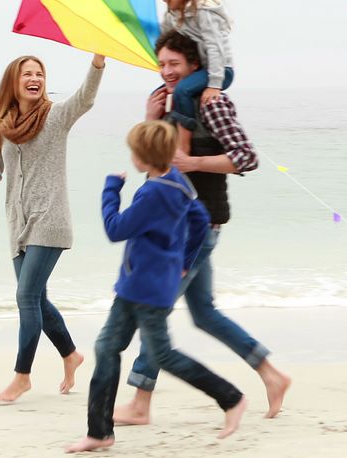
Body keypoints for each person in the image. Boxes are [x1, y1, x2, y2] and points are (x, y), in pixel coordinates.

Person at [113, 32, 291, 427]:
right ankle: (272, 375)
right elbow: (155, 162)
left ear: (195, 66)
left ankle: (140, 402)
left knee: (152, 310)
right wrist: (151, 118)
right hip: (174, 226)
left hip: (198, 225)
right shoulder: (171, 102)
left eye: (174, 64)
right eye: (161, 64)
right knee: (204, 313)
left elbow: (246, 157)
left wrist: (194, 163)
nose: (167, 71)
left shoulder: (214, 102)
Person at [66, 121, 247, 453]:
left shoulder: (153, 192)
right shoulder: (179, 184)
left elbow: (115, 228)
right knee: (107, 348)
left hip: (146, 290)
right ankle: (99, 431)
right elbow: (199, 220)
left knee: (162, 354)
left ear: (142, 158)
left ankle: (231, 398)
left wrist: (110, 189)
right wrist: (183, 260)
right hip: (138, 285)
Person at [0, 52, 105, 402]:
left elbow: (85, 98)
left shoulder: (55, 117)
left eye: (39, 74)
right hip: (18, 223)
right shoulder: (1, 125)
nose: (35, 78)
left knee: (26, 296)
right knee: (38, 298)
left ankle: (22, 376)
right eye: (27, 74)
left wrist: (97, 63)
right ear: (13, 83)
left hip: (50, 219)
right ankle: (71, 355)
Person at [155, 0, 235, 154]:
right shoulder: (173, 14)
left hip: (220, 71)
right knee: (158, 94)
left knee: (182, 91)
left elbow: (214, 46)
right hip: (198, 71)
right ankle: (162, 138)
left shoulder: (204, 10)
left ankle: (184, 144)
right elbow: (163, 39)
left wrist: (214, 84)